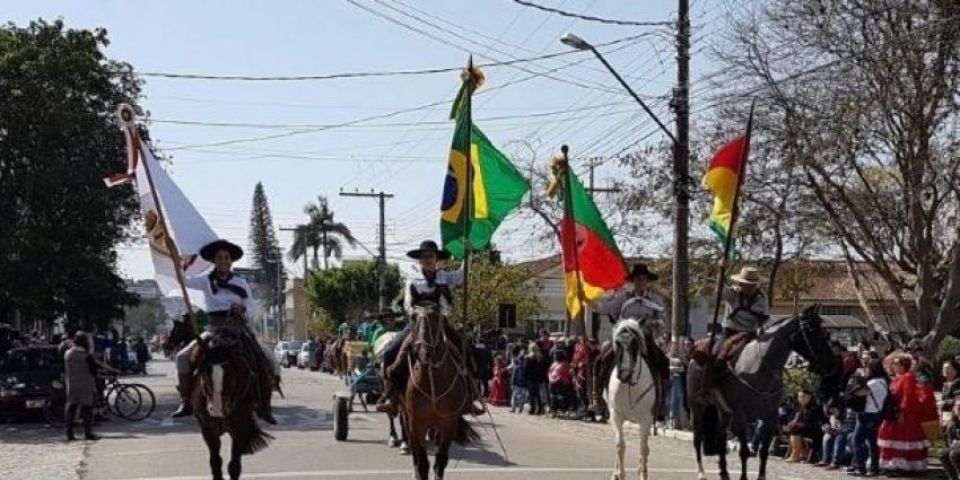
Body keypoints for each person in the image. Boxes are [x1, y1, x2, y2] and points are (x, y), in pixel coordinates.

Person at [171, 239, 276, 424]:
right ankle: (186, 401)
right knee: (181, 357)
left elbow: (252, 307)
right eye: (219, 258)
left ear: (231, 261)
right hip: (214, 330)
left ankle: (264, 405)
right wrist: (175, 259)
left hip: (238, 329)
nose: (223, 261)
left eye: (226, 258)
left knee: (268, 359)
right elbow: (183, 281)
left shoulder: (241, 283)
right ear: (214, 261)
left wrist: (242, 309)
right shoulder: (205, 281)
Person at [377, 240, 482, 416]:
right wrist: (419, 313)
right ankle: (391, 398)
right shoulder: (412, 279)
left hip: (441, 324)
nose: (428, 259)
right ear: (419, 260)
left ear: (436, 259)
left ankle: (469, 399)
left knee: (469, 353)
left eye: (431, 256)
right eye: (425, 256)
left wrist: (468, 254)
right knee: (390, 353)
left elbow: (462, 274)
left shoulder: (444, 277)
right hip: (417, 324)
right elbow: (408, 305)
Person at [589, 264, 668, 415]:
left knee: (663, 362)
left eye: (643, 279)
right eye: (638, 279)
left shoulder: (655, 300)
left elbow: (663, 320)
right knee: (602, 360)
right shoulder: (623, 298)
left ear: (647, 281)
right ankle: (597, 398)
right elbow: (605, 308)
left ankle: (660, 401)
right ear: (633, 281)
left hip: (645, 338)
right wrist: (588, 301)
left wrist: (653, 323)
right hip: (625, 337)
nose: (641, 282)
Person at [878, 354, 927, 475]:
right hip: (895, 413)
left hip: (907, 414)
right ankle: (894, 465)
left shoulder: (909, 377)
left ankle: (903, 466)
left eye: (897, 364)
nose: (894, 366)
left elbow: (908, 396)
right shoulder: (899, 377)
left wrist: (902, 412)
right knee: (894, 439)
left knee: (904, 440)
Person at [64, 332, 117, 441]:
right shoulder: (87, 356)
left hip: (72, 384)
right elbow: (93, 371)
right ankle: (88, 433)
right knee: (87, 410)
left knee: (71, 409)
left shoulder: (68, 354)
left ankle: (69, 434)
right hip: (86, 385)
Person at [848, 358, 887, 476]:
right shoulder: (884, 381)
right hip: (877, 414)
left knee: (856, 441)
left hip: (867, 414)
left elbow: (858, 392)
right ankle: (874, 468)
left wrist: (860, 377)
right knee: (873, 443)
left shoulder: (873, 383)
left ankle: (860, 467)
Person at [785, 389, 825, 463]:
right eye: (799, 397)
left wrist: (794, 424)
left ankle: (796, 455)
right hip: (803, 430)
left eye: (803, 396)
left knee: (795, 429)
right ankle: (802, 455)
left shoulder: (815, 408)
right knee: (793, 429)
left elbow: (814, 423)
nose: (801, 399)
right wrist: (793, 422)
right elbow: (796, 420)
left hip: (815, 431)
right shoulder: (800, 408)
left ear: (809, 397)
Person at [525, 343, 547, 415]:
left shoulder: (528, 358)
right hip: (539, 379)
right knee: (538, 394)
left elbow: (526, 370)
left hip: (530, 379)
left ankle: (532, 409)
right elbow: (544, 369)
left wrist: (526, 378)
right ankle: (540, 409)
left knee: (531, 394)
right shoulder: (541, 358)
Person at [941, 399, 960, 480]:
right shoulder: (952, 420)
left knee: (954, 452)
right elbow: (946, 435)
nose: (958, 409)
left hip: (956, 447)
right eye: (958, 407)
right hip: (954, 445)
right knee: (938, 448)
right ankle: (953, 477)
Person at [508, 345, 527, 413]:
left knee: (514, 396)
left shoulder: (517, 367)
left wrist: (512, 383)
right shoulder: (526, 368)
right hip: (524, 384)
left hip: (517, 384)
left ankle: (513, 408)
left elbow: (514, 376)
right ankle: (520, 409)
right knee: (522, 397)